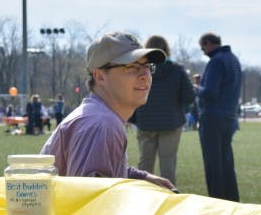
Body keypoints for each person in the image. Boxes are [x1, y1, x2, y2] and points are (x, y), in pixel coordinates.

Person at [40, 31, 173, 190]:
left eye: (147, 66)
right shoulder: (102, 124)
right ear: (100, 76)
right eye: (132, 67)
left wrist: (143, 178)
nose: (145, 75)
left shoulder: (98, 115)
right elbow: (88, 200)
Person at [130, 35, 196, 186]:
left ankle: (142, 197)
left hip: (145, 122)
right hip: (171, 123)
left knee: (145, 164)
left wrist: (135, 118)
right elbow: (189, 96)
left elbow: (130, 93)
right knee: (168, 164)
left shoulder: (139, 70)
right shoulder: (177, 70)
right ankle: (169, 197)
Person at [196, 32, 243, 201]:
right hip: (229, 116)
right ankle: (232, 200)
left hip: (212, 117)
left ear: (208, 43)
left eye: (203, 48)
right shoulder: (233, 59)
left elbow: (210, 93)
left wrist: (196, 87)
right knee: (226, 163)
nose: (203, 52)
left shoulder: (215, 61)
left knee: (213, 163)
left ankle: (216, 200)